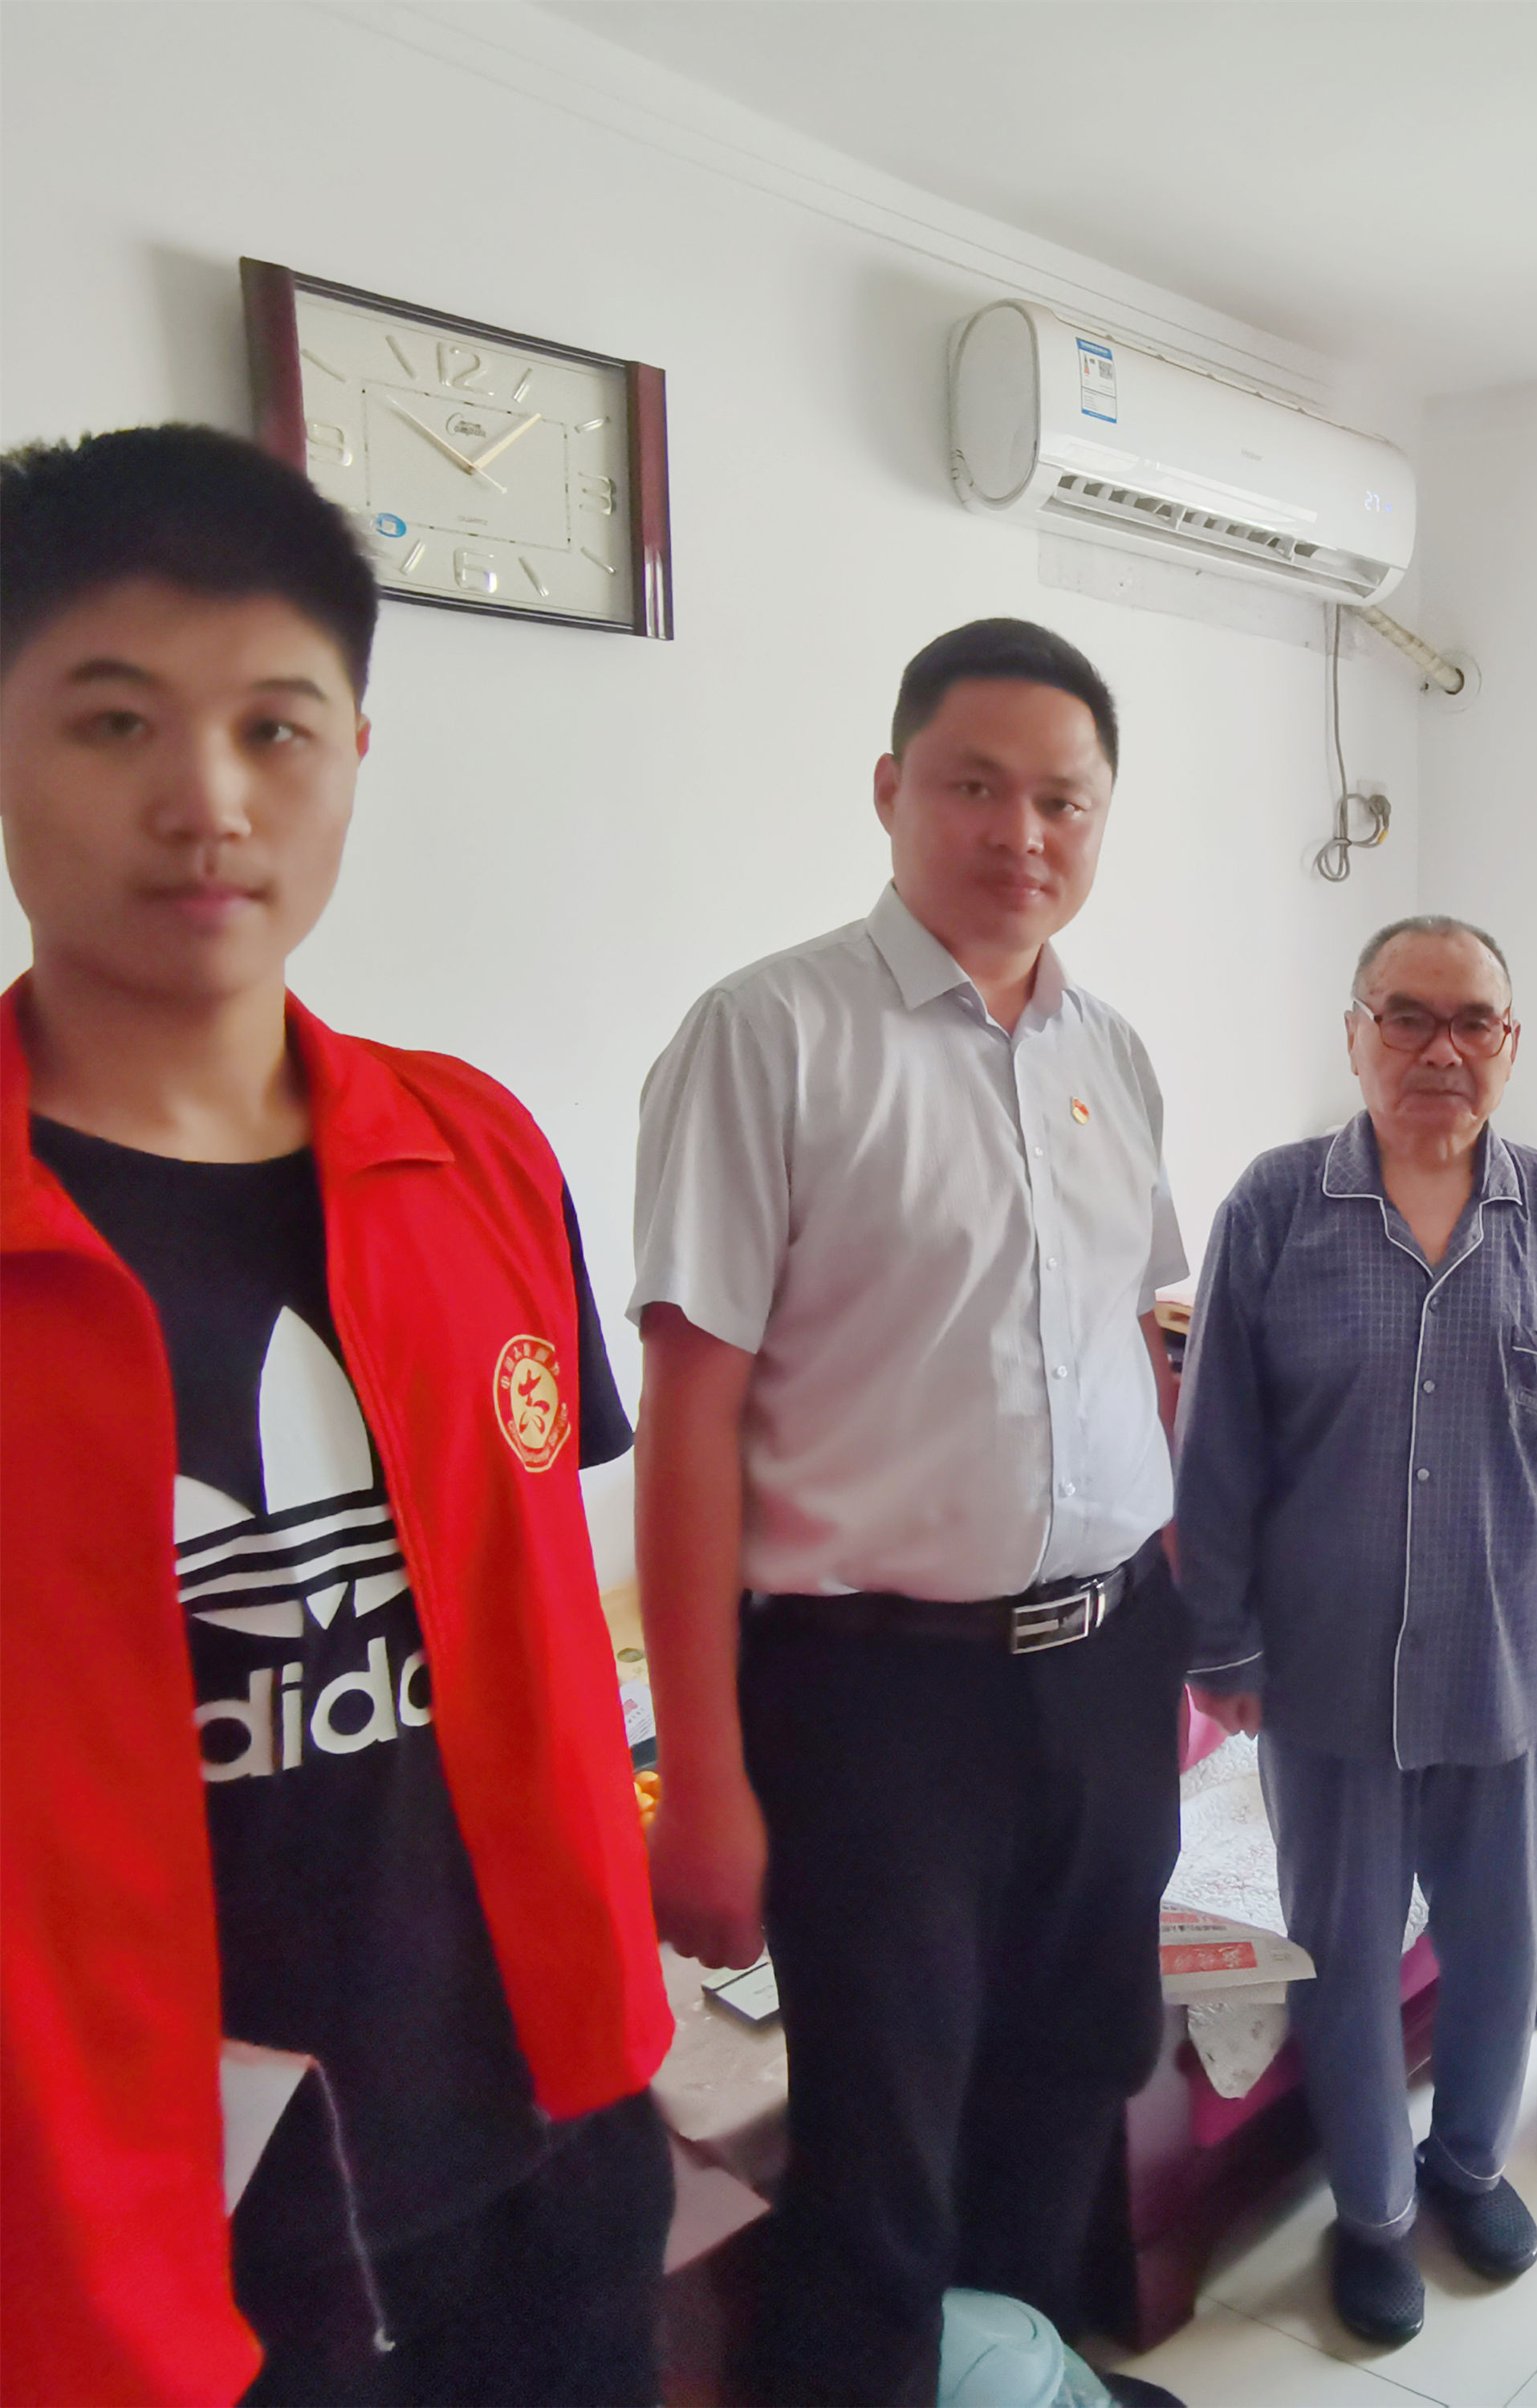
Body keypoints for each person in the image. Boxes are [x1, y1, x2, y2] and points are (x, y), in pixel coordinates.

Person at [0, 425, 670, 2406]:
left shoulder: (473, 1150)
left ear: (354, 757)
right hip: (136, 2229)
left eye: (275, 729)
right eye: (114, 722)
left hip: (543, 2122)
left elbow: (544, 1627)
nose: (206, 800)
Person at [632, 619, 1187, 2407]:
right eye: (974, 785)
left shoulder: (1115, 1054)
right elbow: (689, 1422)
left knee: (1072, 2070)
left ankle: (1013, 2373)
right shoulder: (768, 1037)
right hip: (877, 1696)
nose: (1021, 832)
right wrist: (701, 1778)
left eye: (1063, 800)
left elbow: (1128, 1345)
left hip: (1106, 1664)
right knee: (884, 2134)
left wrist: (1178, 1617)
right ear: (890, 789)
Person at [1174, 915, 1537, 2348]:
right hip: (1328, 1666)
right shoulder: (1273, 1209)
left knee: (1499, 1946)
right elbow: (1217, 1441)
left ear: (1509, 1042)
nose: (1441, 1049)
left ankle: (1468, 2167)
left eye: (1473, 1021)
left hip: (1509, 1657)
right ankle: (1371, 2214)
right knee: (1347, 1956)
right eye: (1407, 1016)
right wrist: (1221, 1644)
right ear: (1356, 1033)